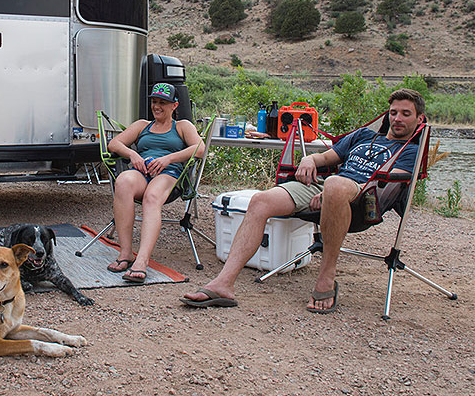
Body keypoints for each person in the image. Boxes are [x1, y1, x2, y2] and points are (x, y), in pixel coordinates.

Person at [182, 88, 426, 313]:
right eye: (393, 112)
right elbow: (327, 157)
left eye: (406, 114)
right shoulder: (363, 135)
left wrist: (334, 192)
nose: (398, 119)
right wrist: (310, 160)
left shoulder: (412, 151)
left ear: (418, 119)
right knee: (260, 201)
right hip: (325, 187)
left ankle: (326, 276)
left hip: (364, 198)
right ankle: (224, 284)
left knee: (335, 184)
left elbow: (388, 184)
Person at [105, 82, 206, 283]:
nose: (157, 106)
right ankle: (126, 253)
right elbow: (114, 144)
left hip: (168, 174)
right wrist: (133, 154)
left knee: (152, 196)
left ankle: (142, 260)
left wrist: (168, 159)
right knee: (123, 181)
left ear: (174, 105)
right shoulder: (142, 125)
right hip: (142, 171)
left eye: (163, 102)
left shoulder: (182, 126)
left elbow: (200, 148)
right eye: (154, 101)